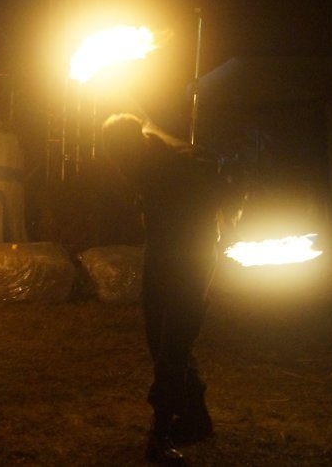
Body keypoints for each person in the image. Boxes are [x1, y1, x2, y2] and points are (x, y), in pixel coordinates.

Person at [101, 113, 242, 465]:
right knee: (158, 341)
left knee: (173, 346)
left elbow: (229, 189)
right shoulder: (141, 157)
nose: (119, 164)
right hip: (161, 253)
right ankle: (196, 419)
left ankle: (161, 430)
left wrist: (228, 223)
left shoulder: (185, 164)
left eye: (121, 155)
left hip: (193, 258)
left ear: (136, 145)